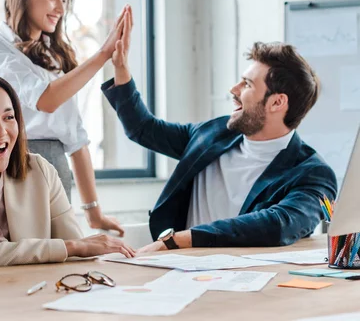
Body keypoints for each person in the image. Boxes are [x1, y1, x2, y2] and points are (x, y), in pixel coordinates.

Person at [102, 31, 337, 251]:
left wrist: (182, 239)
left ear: (277, 103)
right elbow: (143, 129)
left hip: (249, 283)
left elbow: (279, 224)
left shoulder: (312, 174)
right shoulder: (213, 133)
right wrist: (121, 69)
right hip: (177, 271)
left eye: (247, 84)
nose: (233, 89)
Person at [0, 0, 133, 236]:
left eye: (64, 0)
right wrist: (102, 55)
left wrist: (94, 213)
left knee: (61, 266)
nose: (60, 8)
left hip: (57, 171)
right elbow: (45, 100)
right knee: (21, 262)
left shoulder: (53, 57)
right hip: (15, 168)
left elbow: (75, 137)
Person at [0, 73, 135, 271]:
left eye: (9, 117)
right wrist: (70, 247)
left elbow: (77, 255)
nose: (1, 131)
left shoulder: (39, 170)